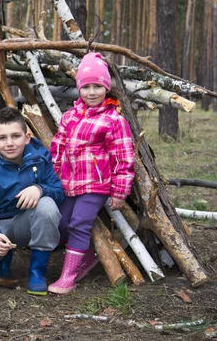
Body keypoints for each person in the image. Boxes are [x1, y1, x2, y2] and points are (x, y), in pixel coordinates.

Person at [48, 52, 135, 295]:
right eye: (86, 87)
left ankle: (68, 277)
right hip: (68, 183)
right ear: (79, 89)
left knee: (79, 223)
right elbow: (58, 146)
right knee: (60, 221)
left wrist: (119, 191)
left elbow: (124, 157)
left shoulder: (114, 120)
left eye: (98, 86)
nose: (92, 92)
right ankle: (85, 255)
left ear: (106, 88)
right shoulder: (70, 116)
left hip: (95, 184)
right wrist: (55, 175)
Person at [0, 107, 65, 296]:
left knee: (47, 206)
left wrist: (39, 189)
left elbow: (59, 191)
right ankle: (2, 259)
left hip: (27, 223)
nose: (10, 143)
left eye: (16, 136)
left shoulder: (40, 158)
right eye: (3, 138)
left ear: (27, 138)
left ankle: (37, 272)